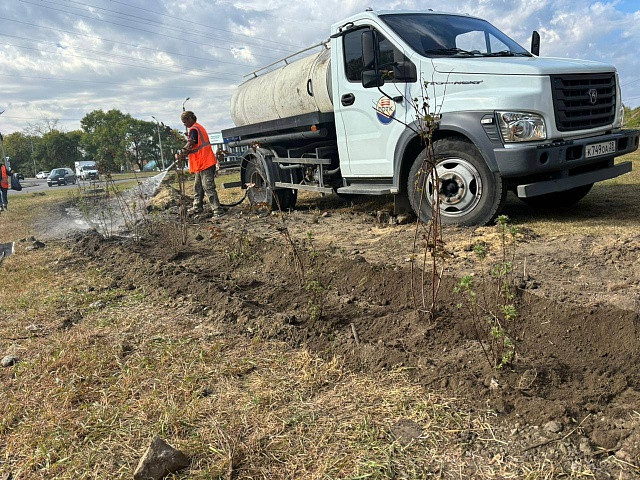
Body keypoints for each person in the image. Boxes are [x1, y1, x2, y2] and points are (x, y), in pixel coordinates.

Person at [179, 111, 225, 217]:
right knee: (198, 186)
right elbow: (195, 147)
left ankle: (217, 210)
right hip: (201, 163)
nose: (184, 124)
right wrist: (187, 152)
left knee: (208, 186)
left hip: (206, 162)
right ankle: (197, 207)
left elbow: (190, 142)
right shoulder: (198, 128)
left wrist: (183, 151)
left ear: (191, 118)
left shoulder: (194, 129)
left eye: (185, 122)